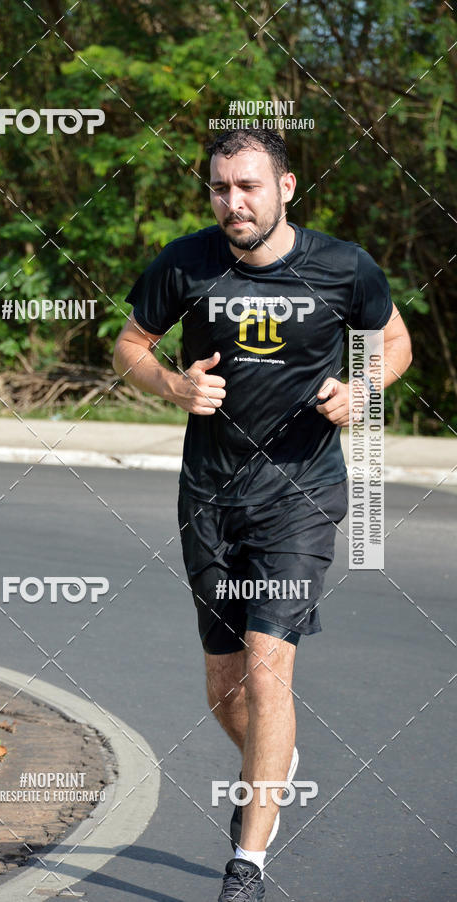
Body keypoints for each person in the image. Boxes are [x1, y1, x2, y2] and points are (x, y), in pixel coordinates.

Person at [113, 128, 412, 901]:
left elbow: (393, 342)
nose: (232, 202)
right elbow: (131, 344)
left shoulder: (344, 266)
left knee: (267, 668)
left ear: (286, 187)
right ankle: (273, 764)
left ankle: (246, 862)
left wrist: (362, 390)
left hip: (300, 494)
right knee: (224, 690)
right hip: (209, 496)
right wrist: (173, 387)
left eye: (247, 186)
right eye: (219, 187)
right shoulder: (186, 262)